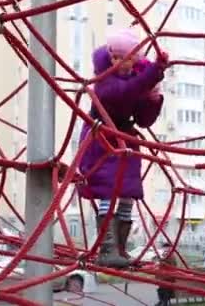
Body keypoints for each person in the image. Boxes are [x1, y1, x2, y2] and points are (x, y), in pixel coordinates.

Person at [77, 28, 168, 268]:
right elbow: (119, 94)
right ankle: (106, 248)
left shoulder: (136, 78)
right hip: (102, 138)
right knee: (108, 188)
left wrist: (153, 98)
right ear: (109, 56)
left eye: (126, 58)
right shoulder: (104, 76)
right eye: (115, 57)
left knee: (128, 193)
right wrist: (153, 74)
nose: (120, 62)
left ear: (135, 59)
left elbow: (143, 119)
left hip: (125, 139)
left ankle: (120, 248)